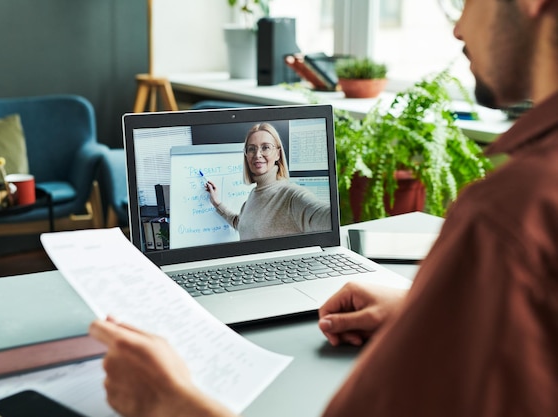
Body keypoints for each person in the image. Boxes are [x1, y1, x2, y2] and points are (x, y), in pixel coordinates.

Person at [89, 0, 558, 416]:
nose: (457, 28)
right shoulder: (251, 199)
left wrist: (170, 404)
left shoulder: (510, 214)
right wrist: (424, 311)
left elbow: (314, 215)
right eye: (251, 150)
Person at [204, 122, 331, 240]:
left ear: (278, 154)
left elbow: (322, 215)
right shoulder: (252, 196)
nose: (257, 155)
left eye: (265, 147)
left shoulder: (292, 196)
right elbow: (242, 224)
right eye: (252, 149)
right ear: (246, 155)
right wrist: (216, 203)